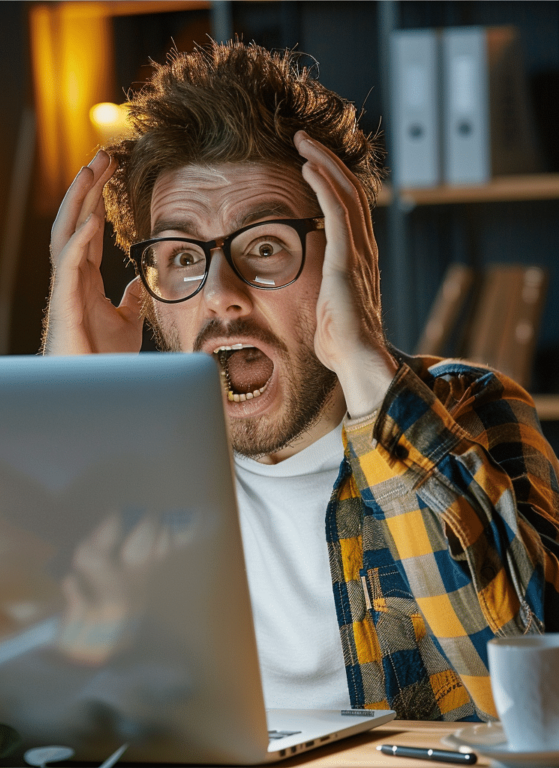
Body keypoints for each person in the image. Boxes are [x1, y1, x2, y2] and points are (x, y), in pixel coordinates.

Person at [41, 40, 559, 722]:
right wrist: (65, 412)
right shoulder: (133, 460)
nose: (221, 296)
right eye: (182, 257)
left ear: (349, 260)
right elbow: (28, 701)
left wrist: (367, 362)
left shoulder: (472, 412)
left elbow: (536, 702)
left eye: (264, 248)